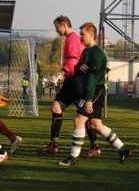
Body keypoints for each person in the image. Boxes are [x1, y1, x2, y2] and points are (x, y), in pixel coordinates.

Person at [59, 22, 131, 166]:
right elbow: (79, 68)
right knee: (96, 125)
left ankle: (73, 157)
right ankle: (123, 149)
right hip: (90, 90)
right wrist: (81, 68)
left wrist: (89, 99)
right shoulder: (86, 51)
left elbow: (91, 77)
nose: (80, 37)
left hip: (95, 91)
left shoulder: (97, 54)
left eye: (83, 34)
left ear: (91, 35)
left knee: (79, 120)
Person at [40, 16, 100, 157]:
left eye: (57, 27)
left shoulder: (72, 38)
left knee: (85, 115)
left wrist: (59, 74)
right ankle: (54, 145)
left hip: (76, 81)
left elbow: (73, 60)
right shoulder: (72, 38)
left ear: (63, 25)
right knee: (56, 107)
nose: (56, 30)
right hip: (70, 81)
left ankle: (95, 147)